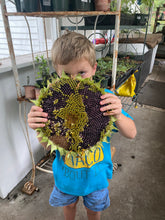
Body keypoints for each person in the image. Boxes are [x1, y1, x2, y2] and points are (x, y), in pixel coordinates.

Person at [28, 31, 137, 220]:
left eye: (81, 73)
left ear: (94, 69)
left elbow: (132, 133)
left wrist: (118, 114)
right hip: (66, 178)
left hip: (96, 179)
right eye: (67, 75)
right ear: (58, 72)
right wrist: (39, 129)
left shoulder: (104, 100)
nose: (75, 80)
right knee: (69, 206)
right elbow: (48, 146)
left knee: (94, 210)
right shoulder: (53, 104)